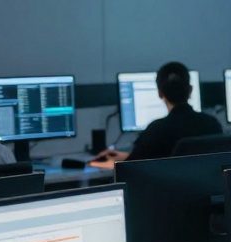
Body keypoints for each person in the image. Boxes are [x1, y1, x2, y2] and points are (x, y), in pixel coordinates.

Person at [92, 61, 221, 165]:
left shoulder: (156, 131)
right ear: (190, 90)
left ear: (160, 93)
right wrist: (127, 156)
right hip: (206, 195)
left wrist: (109, 162)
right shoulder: (213, 124)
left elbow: (132, 167)